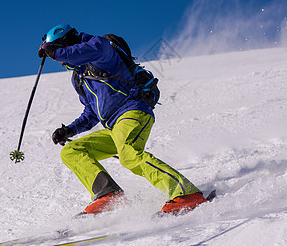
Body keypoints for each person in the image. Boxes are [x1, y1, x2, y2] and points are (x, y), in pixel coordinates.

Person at [38, 23, 209, 216]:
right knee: (71, 151)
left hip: (133, 112)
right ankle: (109, 195)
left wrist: (56, 52)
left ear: (67, 42)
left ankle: (186, 193)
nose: (59, 60)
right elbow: (91, 112)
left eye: (59, 51)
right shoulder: (79, 78)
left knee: (129, 155)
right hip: (113, 127)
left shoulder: (100, 48)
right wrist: (70, 130)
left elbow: (91, 49)